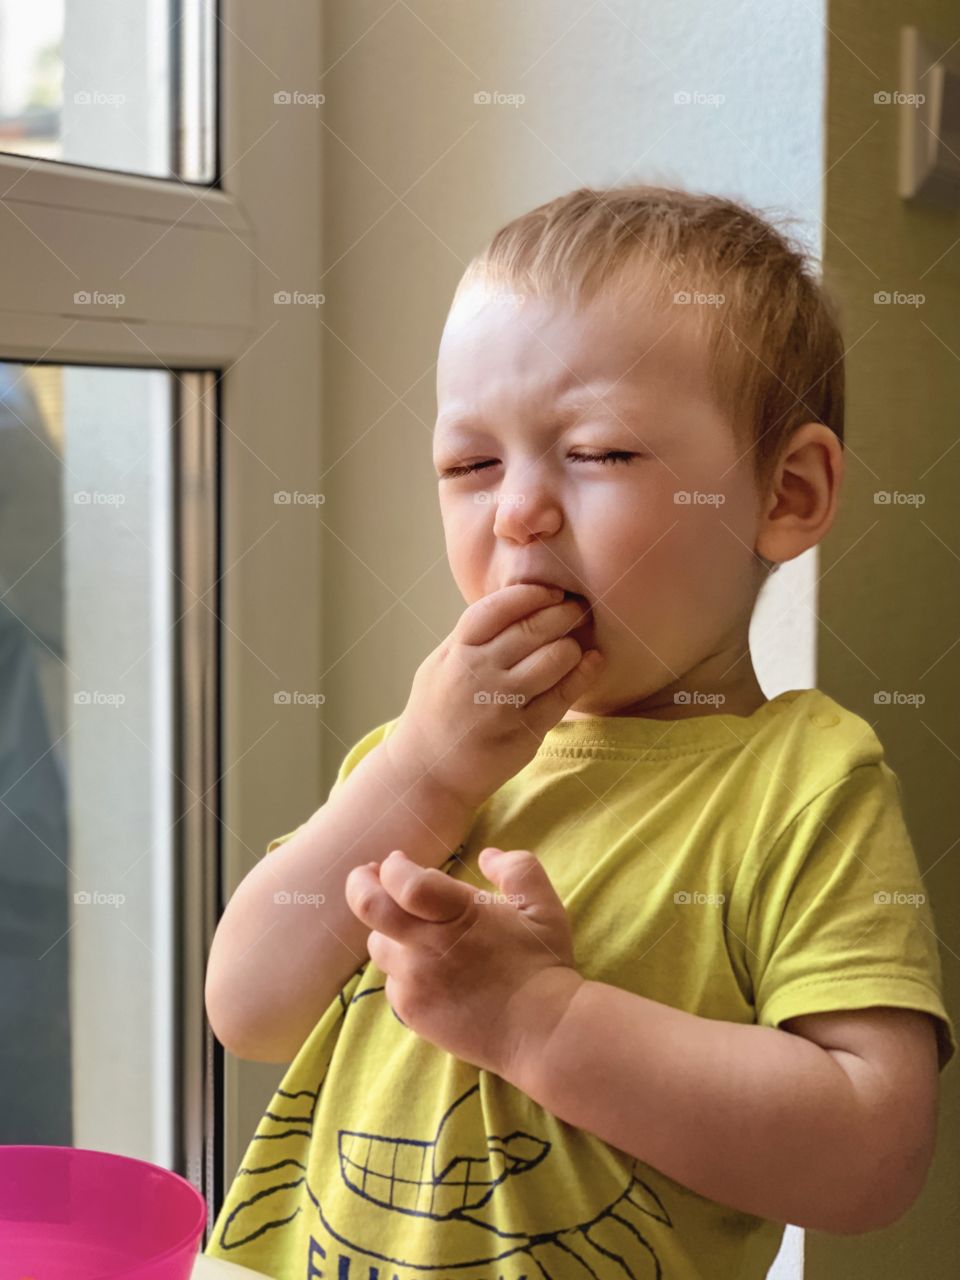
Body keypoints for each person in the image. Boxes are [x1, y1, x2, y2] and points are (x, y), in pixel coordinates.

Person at [202, 184, 956, 1278]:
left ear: (786, 494)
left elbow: (872, 1152)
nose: (515, 511)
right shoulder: (414, 759)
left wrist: (537, 1018)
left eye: (597, 453)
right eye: (470, 465)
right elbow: (248, 1005)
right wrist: (419, 766)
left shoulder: (801, 783)